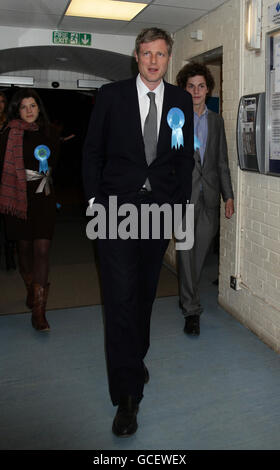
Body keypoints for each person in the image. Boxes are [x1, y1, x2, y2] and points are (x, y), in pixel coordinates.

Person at [83, 27, 194, 437]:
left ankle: (135, 357)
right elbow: (92, 150)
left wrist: (179, 209)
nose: (152, 61)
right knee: (119, 298)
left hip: (159, 213)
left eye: (160, 54)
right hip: (113, 213)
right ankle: (126, 398)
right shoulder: (111, 96)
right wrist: (94, 201)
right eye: (146, 53)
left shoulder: (180, 100)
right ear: (136, 56)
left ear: (168, 59)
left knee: (144, 294)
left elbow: (183, 164)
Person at [176, 62, 234, 337]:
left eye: (201, 86)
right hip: (183, 198)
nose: (196, 91)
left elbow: (221, 162)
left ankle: (187, 294)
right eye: (191, 86)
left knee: (198, 256)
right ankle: (191, 309)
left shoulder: (216, 121)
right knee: (186, 253)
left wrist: (228, 195)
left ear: (208, 89)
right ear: (184, 89)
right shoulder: (173, 119)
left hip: (209, 197)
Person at [0, 88, 60, 331]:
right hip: (18, 196)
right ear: (17, 109)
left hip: (43, 195)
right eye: (24, 107)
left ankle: (39, 311)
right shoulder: (7, 134)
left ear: (39, 107)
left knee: (43, 248)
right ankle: (30, 289)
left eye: (33, 106)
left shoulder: (51, 133)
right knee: (24, 249)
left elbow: (54, 164)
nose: (29, 111)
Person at [0, 91, 17, 270]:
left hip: (7, 177)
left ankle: (10, 253)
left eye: (3, 101)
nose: (0, 105)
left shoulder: (10, 126)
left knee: (8, 219)